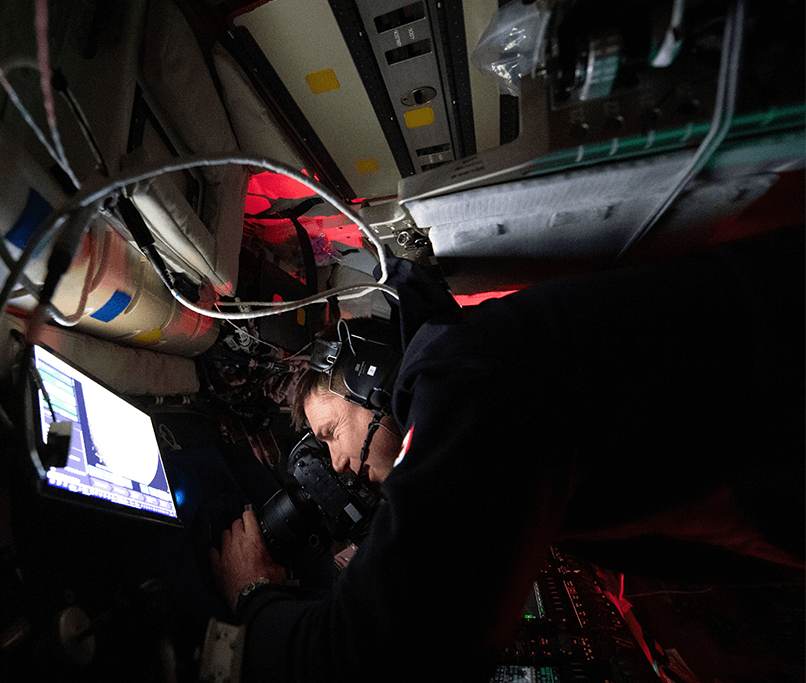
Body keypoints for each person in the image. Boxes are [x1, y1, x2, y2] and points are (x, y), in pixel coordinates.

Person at [211, 226, 805, 682]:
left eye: (329, 434)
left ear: (366, 380)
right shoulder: (469, 373)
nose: (337, 465)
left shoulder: (459, 377)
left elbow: (382, 656)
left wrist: (255, 597)